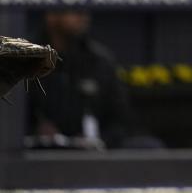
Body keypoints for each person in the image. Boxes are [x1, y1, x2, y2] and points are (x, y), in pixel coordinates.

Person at [27, 10, 129, 149]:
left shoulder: (99, 61)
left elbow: (121, 122)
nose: (83, 15)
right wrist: (35, 132)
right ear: (51, 15)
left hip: (90, 160)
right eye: (73, 8)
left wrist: (98, 140)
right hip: (32, 158)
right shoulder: (23, 60)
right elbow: (8, 120)